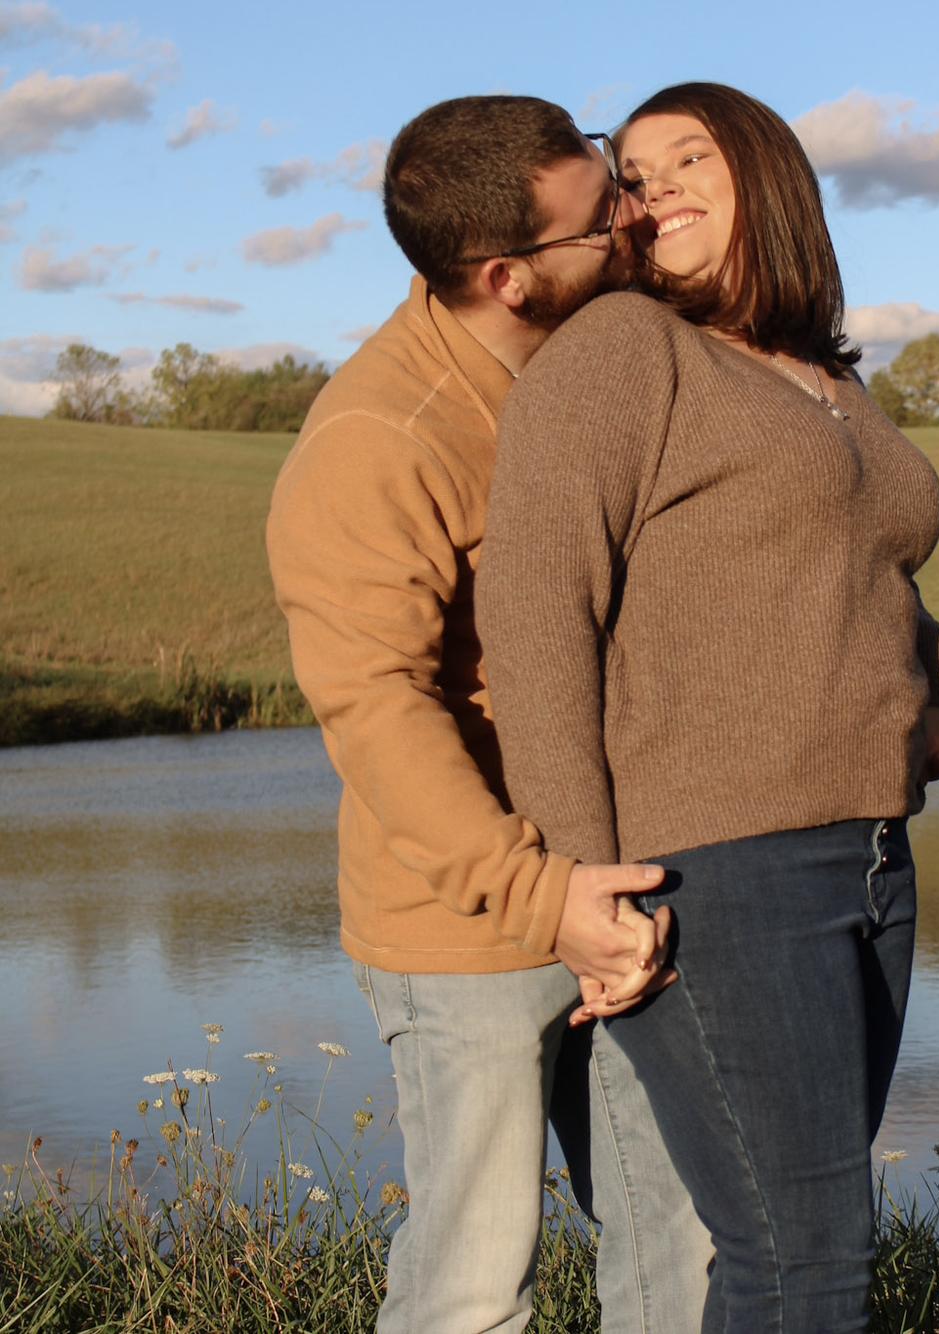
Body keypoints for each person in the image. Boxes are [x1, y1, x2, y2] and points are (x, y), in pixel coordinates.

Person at [476, 82, 939, 1331]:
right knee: (799, 1258)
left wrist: (931, 687)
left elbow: (862, 558)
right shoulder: (621, 351)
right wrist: (582, 878)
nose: (657, 188)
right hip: (716, 868)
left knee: (796, 1242)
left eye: (691, 156)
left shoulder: (813, 374)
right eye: (634, 175)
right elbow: (536, 613)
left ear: (768, 173)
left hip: (863, 856)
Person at [266, 94, 710, 1334]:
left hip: (624, 889)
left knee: (678, 1249)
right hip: (471, 927)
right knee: (471, 1282)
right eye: (601, 215)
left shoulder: (606, 357)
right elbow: (375, 706)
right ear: (510, 278)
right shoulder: (377, 438)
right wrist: (540, 896)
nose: (634, 219)